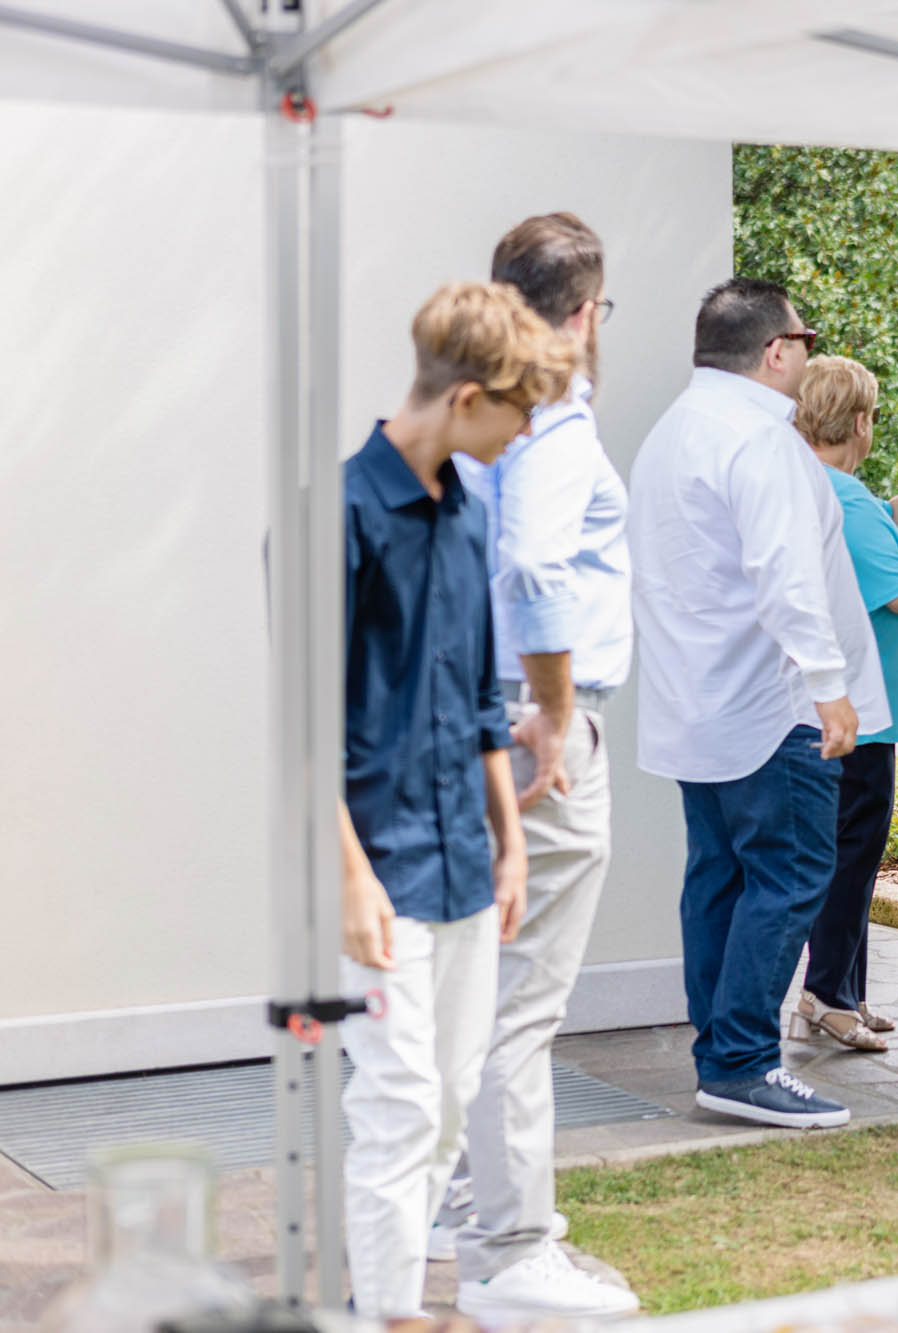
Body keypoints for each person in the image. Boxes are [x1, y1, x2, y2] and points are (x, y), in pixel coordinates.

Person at [338, 282, 572, 1326]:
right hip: (373, 870)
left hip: (467, 870)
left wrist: (510, 844)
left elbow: (482, 696)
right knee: (396, 1110)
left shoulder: (470, 512)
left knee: (442, 1112)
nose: (522, 436)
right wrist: (347, 882)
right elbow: (299, 727)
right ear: (469, 397)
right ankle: (387, 1314)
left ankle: (386, 1298)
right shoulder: (334, 517)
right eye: (518, 416)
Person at [434, 214, 638, 1320]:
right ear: (586, 311)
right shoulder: (552, 421)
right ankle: (514, 1247)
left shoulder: (481, 410)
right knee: (522, 1001)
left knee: (480, 986)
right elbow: (530, 559)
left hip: (483, 717)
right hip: (537, 730)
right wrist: (556, 711)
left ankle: (466, 1203)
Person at [628, 278, 890, 1128]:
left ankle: (719, 1048)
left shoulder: (671, 433)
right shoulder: (761, 439)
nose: (809, 355)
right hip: (768, 704)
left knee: (719, 878)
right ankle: (741, 1061)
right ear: (776, 350)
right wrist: (830, 687)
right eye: (803, 339)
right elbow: (787, 575)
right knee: (789, 873)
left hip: (693, 704)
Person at [791, 356, 898, 1051]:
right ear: (859, 422)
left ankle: (843, 990)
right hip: (867, 708)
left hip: (842, 704)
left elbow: (890, 520)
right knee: (853, 853)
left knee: (847, 850)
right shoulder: (845, 500)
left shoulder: (822, 487)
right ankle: (830, 994)